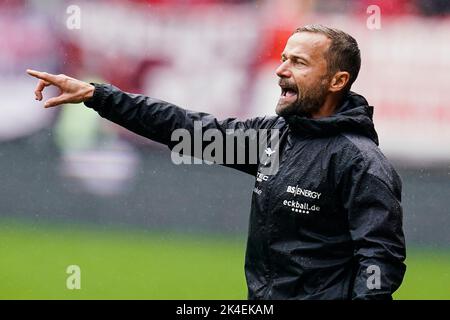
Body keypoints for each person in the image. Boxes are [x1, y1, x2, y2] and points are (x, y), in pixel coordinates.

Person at [27, 24, 406, 300]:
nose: (281, 69)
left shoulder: (361, 163)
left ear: (337, 81)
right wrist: (98, 95)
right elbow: (183, 127)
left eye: (299, 62)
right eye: (283, 58)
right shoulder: (271, 139)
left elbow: (380, 264)